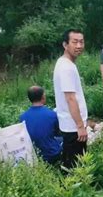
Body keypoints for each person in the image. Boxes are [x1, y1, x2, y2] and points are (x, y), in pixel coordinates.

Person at [53, 29, 88, 169]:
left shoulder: (65, 63)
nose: (79, 46)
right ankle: (68, 189)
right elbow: (70, 99)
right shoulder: (66, 67)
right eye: (74, 42)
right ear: (65, 44)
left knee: (72, 162)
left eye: (81, 42)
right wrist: (80, 126)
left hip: (71, 125)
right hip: (73, 128)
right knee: (75, 167)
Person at [19, 86, 62, 164]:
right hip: (52, 154)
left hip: (34, 155)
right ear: (43, 97)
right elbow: (58, 132)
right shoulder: (52, 114)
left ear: (29, 99)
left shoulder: (22, 117)